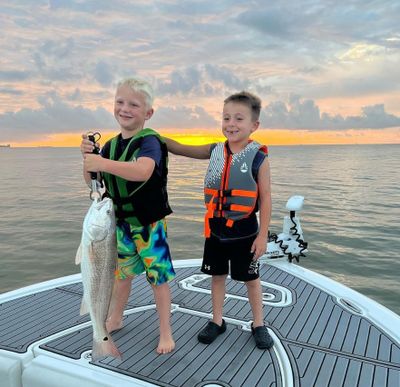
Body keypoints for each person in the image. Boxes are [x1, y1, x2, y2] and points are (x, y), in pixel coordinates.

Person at [164, 91, 274, 349]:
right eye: (226, 118)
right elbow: (181, 148)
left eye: (238, 118)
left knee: (251, 279)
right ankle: (217, 321)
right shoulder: (214, 151)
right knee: (216, 276)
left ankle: (258, 323)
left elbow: (267, 198)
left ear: (254, 125)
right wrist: (153, 138)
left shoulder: (259, 157)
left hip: (246, 231)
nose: (231, 124)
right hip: (215, 230)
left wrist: (262, 236)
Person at [80, 78, 176, 354]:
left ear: (148, 113)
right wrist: (87, 159)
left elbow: (142, 171)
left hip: (150, 226)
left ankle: (166, 333)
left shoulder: (150, 142)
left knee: (158, 279)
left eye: (134, 104)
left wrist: (102, 162)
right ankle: (116, 317)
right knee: (121, 276)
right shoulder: (109, 146)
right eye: (120, 102)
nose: (125, 108)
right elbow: (93, 182)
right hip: (118, 224)